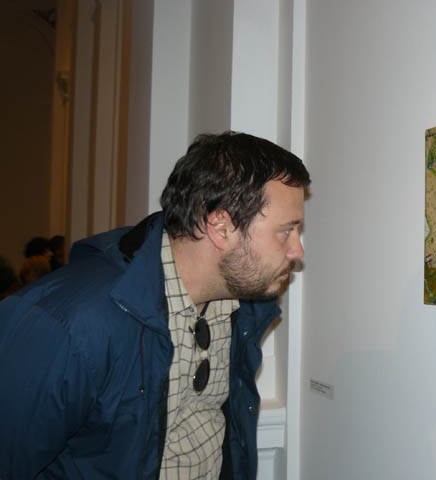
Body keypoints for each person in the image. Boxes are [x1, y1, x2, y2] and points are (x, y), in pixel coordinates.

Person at [0, 131, 310, 480]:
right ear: (221, 227)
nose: (297, 250)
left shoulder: (245, 308)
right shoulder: (68, 323)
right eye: (286, 231)